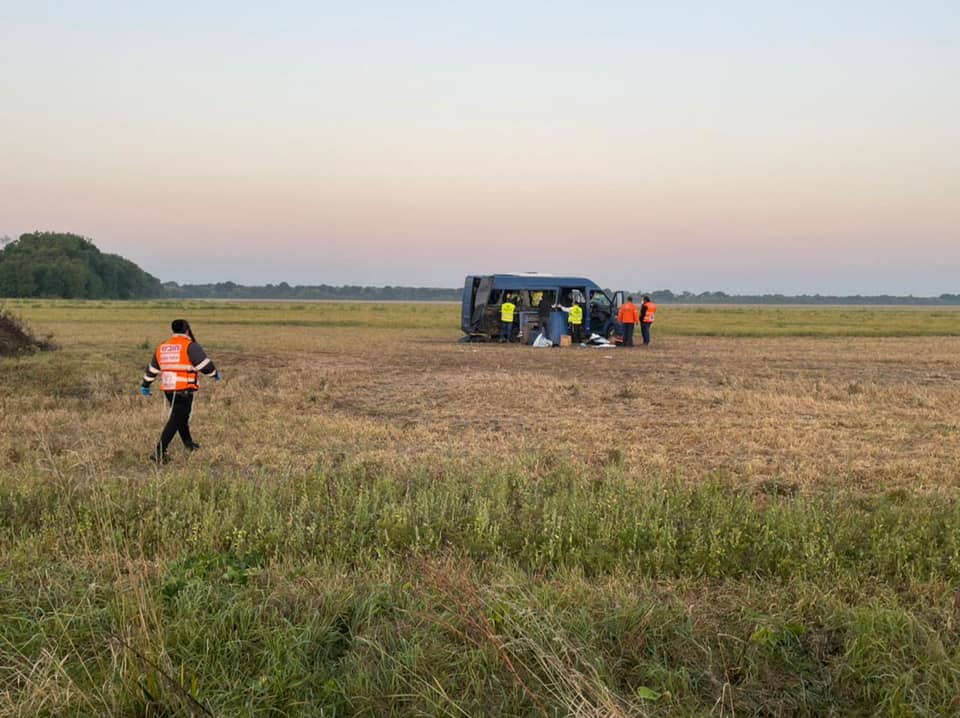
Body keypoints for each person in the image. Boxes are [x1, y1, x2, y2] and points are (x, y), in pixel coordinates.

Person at [140, 319, 220, 463]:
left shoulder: (163, 347)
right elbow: (205, 365)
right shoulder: (190, 346)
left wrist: (146, 384)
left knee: (182, 417)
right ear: (187, 330)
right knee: (176, 420)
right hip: (184, 389)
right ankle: (159, 452)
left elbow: (152, 369)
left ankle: (189, 444)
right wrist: (214, 374)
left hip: (169, 390)